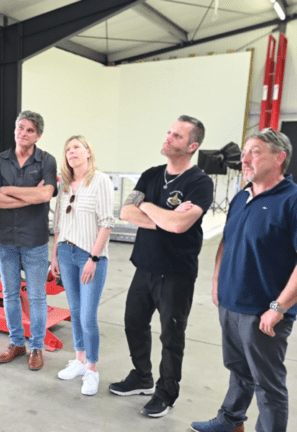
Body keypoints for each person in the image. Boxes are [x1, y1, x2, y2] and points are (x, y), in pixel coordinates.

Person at [191, 129, 297, 432]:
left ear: (280, 158)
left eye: (255, 151)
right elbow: (226, 243)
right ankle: (230, 421)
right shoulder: (241, 197)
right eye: (245, 151)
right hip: (230, 303)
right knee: (238, 371)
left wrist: (279, 307)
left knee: (268, 385)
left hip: (263, 312)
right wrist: (216, 282)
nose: (245, 159)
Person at [110, 115, 213, 418]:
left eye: (177, 136)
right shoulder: (151, 174)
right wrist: (164, 218)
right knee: (133, 323)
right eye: (169, 132)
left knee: (171, 337)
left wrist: (150, 209)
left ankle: (166, 393)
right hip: (145, 266)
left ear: (192, 146)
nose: (168, 138)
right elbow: (126, 212)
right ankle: (142, 377)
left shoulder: (199, 183)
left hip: (176, 273)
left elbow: (181, 226)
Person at [0, 110, 57, 371]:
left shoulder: (47, 161)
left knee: (37, 296)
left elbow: (46, 194)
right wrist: (30, 194)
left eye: (29, 130)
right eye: (20, 127)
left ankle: (36, 347)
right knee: (9, 294)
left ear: (38, 135)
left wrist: (9, 191)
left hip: (34, 240)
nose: (22, 133)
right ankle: (16, 343)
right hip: (4, 239)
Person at [49, 135, 114, 396]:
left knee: (88, 316)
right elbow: (58, 225)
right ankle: (78, 359)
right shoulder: (65, 185)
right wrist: (54, 255)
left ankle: (92, 368)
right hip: (65, 253)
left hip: (90, 256)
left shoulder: (101, 180)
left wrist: (94, 259)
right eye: (67, 149)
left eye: (76, 147)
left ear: (88, 151)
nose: (71, 152)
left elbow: (107, 223)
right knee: (74, 311)